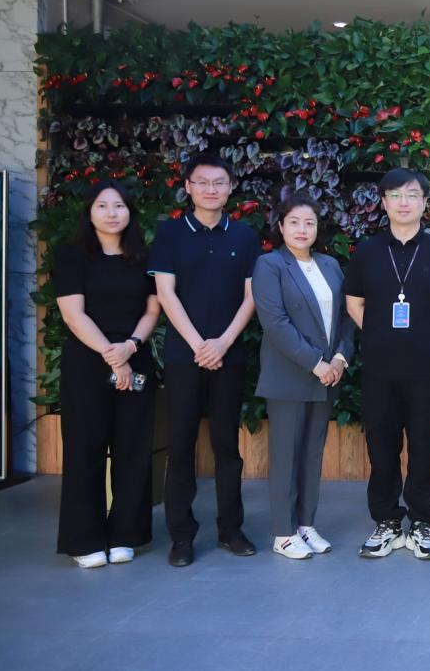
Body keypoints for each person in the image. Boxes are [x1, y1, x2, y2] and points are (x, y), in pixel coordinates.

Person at [344, 168, 430, 561]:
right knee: (381, 445)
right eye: (395, 195)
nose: (404, 202)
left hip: (427, 366)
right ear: (383, 203)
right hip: (379, 366)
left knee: (425, 445)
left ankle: (421, 520)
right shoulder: (367, 251)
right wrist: (378, 333)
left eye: (412, 195)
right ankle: (385, 520)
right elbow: (354, 302)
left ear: (424, 203)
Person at [150, 153, 260, 567]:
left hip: (229, 357)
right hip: (184, 356)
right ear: (188, 187)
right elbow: (166, 294)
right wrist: (200, 345)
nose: (211, 189)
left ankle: (231, 528)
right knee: (180, 446)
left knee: (227, 446)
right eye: (202, 182)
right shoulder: (170, 233)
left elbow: (252, 296)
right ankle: (182, 535)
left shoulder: (244, 236)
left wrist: (223, 343)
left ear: (230, 188)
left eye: (219, 182)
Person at [52, 181, 161, 568]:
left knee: (133, 448)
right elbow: (73, 315)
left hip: (136, 358)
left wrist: (130, 347)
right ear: (89, 212)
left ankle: (126, 535)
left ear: (130, 212)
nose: (111, 213)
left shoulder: (143, 257)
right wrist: (113, 357)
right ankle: (84, 540)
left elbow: (152, 310)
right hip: (87, 364)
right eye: (102, 205)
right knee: (86, 448)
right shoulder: (71, 256)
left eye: (119, 206)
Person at [252, 194, 355, 560]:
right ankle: (283, 533)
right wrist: (316, 363)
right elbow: (275, 322)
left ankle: (305, 524)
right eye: (294, 222)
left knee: (312, 453)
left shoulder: (330, 265)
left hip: (327, 375)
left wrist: (339, 358)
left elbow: (347, 316)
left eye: (309, 222)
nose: (302, 229)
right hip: (290, 375)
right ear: (281, 227)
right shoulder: (270, 265)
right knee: (286, 455)